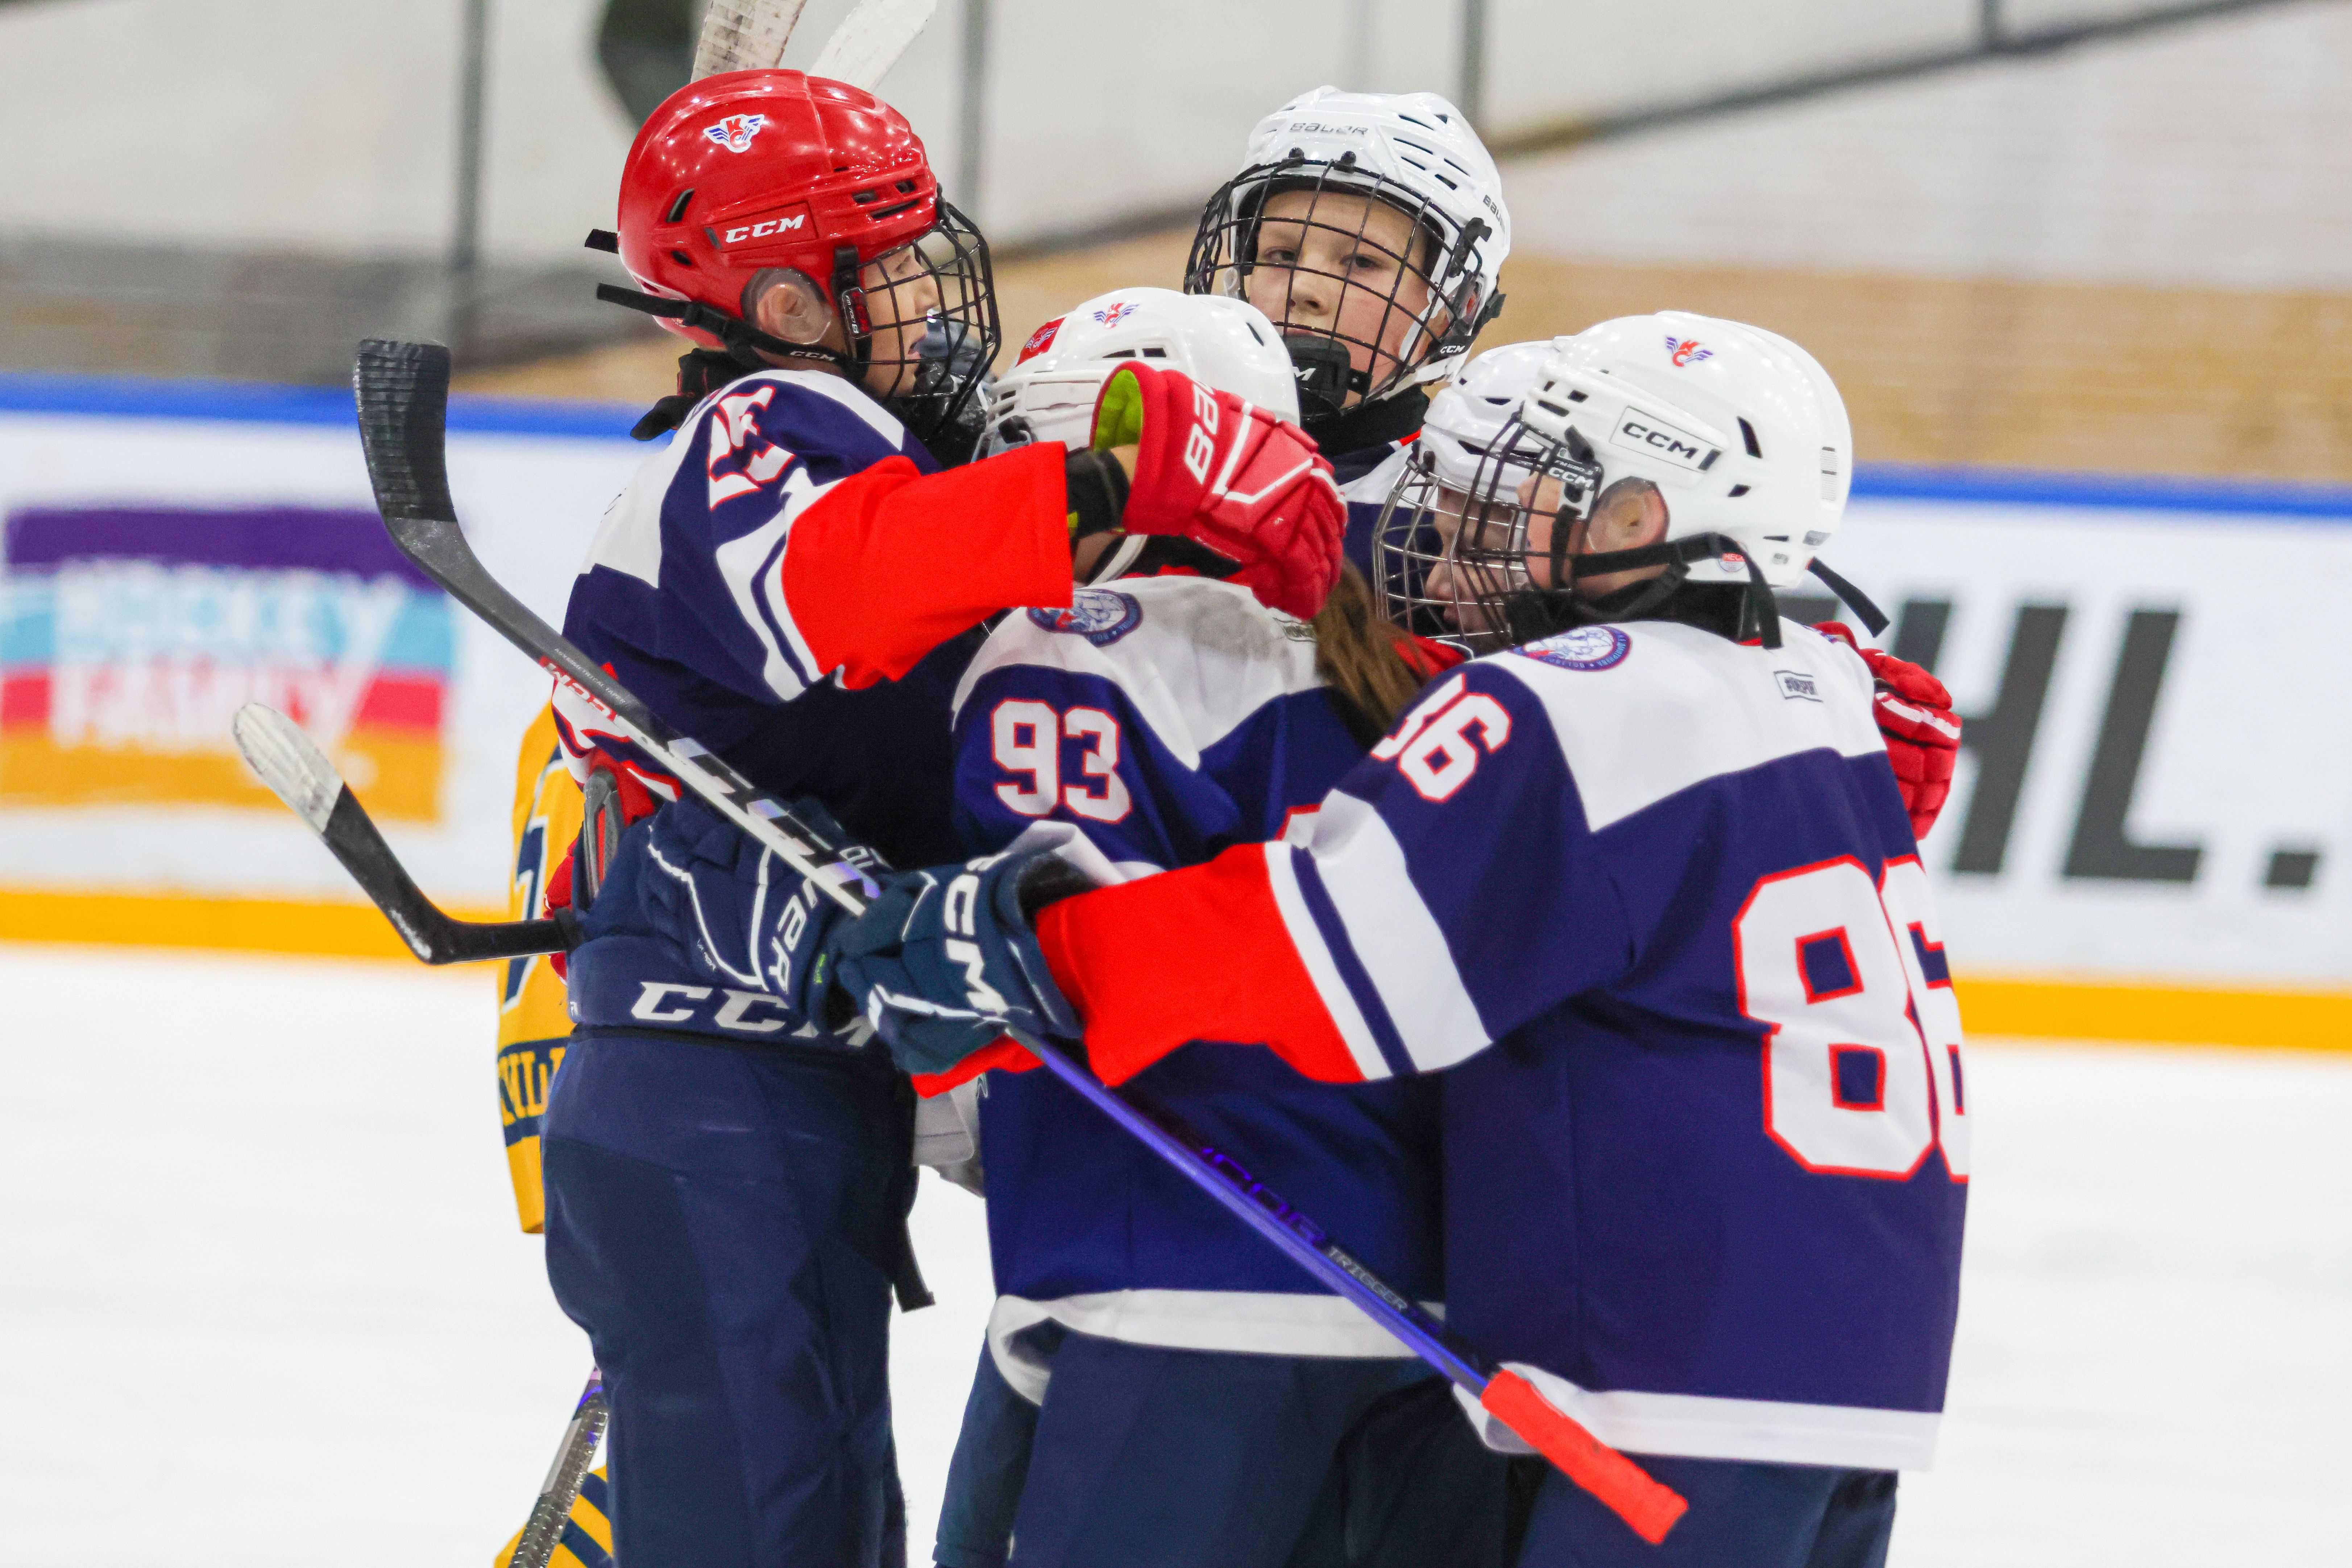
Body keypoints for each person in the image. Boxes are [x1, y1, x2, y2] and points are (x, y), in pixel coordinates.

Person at [810, 313, 1972, 1568]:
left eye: (1538, 487)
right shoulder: (1832, 697)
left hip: (1672, 1372)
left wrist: (1032, 944)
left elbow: (1323, 950)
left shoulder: (1576, 695)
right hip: (1862, 1373)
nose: (1480, 518)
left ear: (1644, 515)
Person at [540, 68, 1346, 1568]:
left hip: (772, 1095)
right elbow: (852, 577)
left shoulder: (857, 442)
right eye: (889, 263)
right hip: (707, 1095)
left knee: (824, 1528)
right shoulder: (769, 424)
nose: (927, 287)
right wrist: (1110, 471)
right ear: (788, 304)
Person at [922, 287, 1498, 1568]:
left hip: (1178, 1295)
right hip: (1422, 1315)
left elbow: (1033, 991)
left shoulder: (1063, 645)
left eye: (1050, 455)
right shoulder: (1398, 669)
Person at [1187, 87, 1510, 577]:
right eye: (1281, 256)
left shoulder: (1455, 522)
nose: (1305, 290)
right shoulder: (1166, 461)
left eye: (1361, 261)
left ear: (1453, 307)